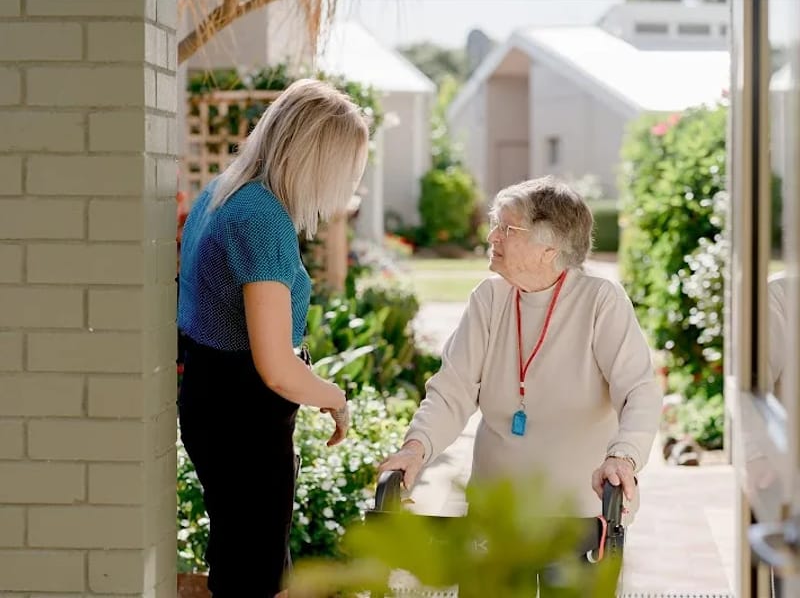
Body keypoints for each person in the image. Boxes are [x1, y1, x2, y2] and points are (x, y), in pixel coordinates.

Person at [379, 176, 662, 573]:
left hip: (578, 518)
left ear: (550, 247)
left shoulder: (600, 301)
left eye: (507, 228)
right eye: (496, 224)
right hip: (495, 515)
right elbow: (452, 390)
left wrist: (623, 456)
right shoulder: (490, 298)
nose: (492, 235)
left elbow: (639, 393)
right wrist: (417, 447)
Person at [177, 78, 369, 598]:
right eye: (346, 170)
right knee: (254, 576)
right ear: (317, 160)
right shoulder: (260, 219)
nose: (347, 186)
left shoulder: (222, 194)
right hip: (243, 419)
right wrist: (336, 398)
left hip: (214, 402)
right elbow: (276, 368)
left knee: (242, 564)